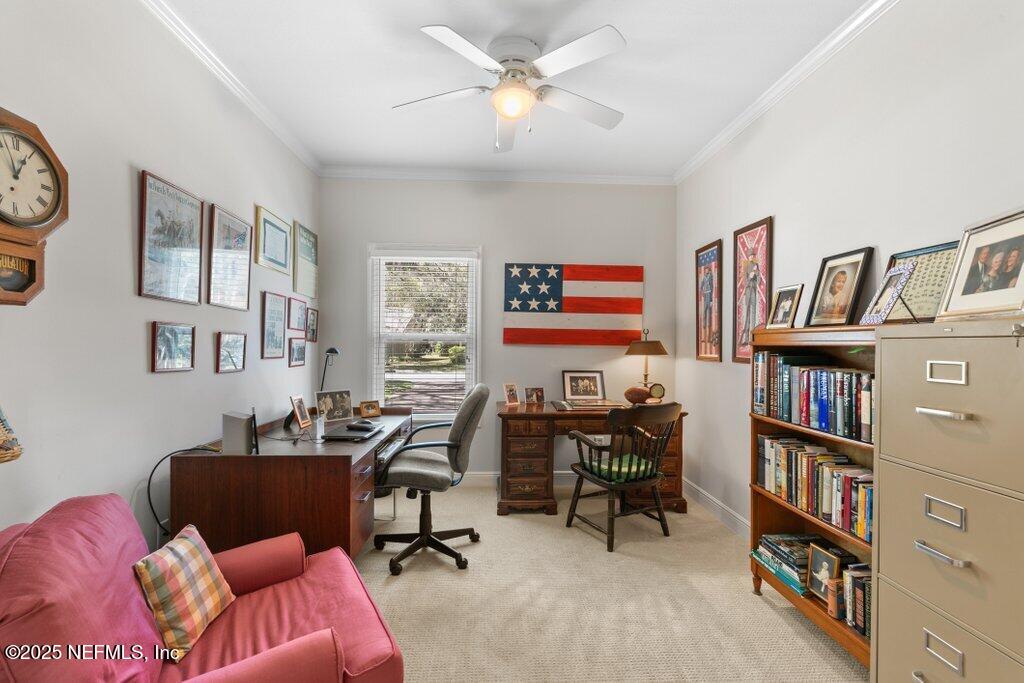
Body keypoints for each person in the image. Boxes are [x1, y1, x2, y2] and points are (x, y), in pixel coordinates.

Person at [739, 250, 761, 347]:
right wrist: (750, 277)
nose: (751, 256)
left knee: (753, 313)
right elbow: (744, 281)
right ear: (748, 256)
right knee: (747, 314)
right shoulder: (746, 266)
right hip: (748, 290)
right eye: (750, 255)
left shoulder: (756, 265)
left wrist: (756, 273)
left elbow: (759, 280)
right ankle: (746, 338)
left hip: (753, 290)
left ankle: (752, 338)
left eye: (752, 255)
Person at [699, 264, 715, 348]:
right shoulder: (704, 277)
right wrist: (701, 291)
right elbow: (701, 285)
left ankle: (708, 337)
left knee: (709, 317)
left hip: (709, 295)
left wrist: (711, 300)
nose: (706, 271)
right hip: (705, 296)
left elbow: (712, 287)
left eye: (707, 270)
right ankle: (704, 337)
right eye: (705, 270)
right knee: (704, 316)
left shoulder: (710, 277)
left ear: (709, 270)